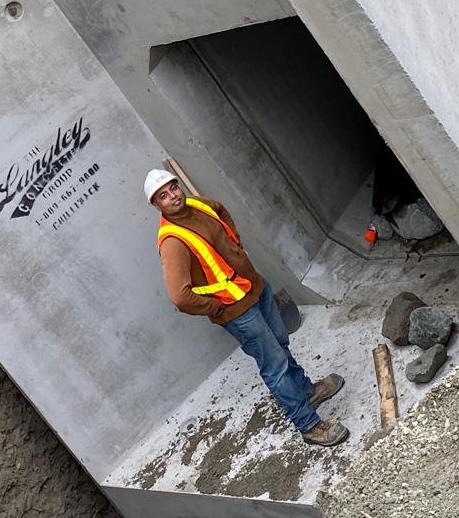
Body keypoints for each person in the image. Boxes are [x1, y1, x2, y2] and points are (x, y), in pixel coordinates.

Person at [146, 168, 349, 447]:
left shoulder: (197, 204)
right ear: (156, 205)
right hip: (237, 311)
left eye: (173, 187)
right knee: (274, 366)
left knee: (280, 343)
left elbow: (221, 209)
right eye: (163, 195)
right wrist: (216, 307)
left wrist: (236, 247)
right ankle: (308, 425)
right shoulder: (172, 243)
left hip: (255, 287)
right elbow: (180, 297)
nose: (173, 196)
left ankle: (306, 391)